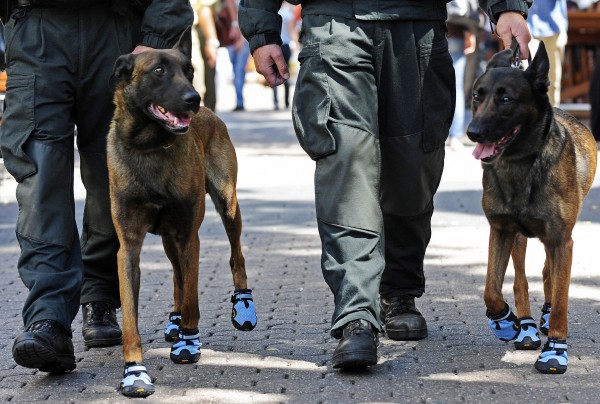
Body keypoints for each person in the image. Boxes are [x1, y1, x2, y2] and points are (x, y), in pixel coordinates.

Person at [239, 0, 532, 369]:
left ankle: (399, 292)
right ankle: (356, 314)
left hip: (419, 26)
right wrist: (262, 30)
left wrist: (507, 7)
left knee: (414, 168)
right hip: (335, 23)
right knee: (346, 163)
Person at [0, 0, 192, 373]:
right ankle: (48, 320)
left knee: (113, 180)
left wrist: (153, 42)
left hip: (117, 33)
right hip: (37, 30)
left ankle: (100, 293)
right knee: (41, 180)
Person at [446, 0, 483, 151]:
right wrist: (469, 29)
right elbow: (460, 9)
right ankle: (455, 135)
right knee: (457, 86)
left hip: (433, 31)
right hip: (456, 32)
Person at [526, 0, 568, 107]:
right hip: (526, 26)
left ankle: (552, 118)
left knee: (552, 80)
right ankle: (528, 120)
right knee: (525, 76)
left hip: (553, 26)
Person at [273, 3, 298, 111]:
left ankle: (275, 102)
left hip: (274, 45)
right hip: (286, 46)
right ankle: (287, 102)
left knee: (273, 73)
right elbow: (292, 31)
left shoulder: (274, 13)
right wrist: (296, 44)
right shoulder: (288, 14)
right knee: (285, 73)